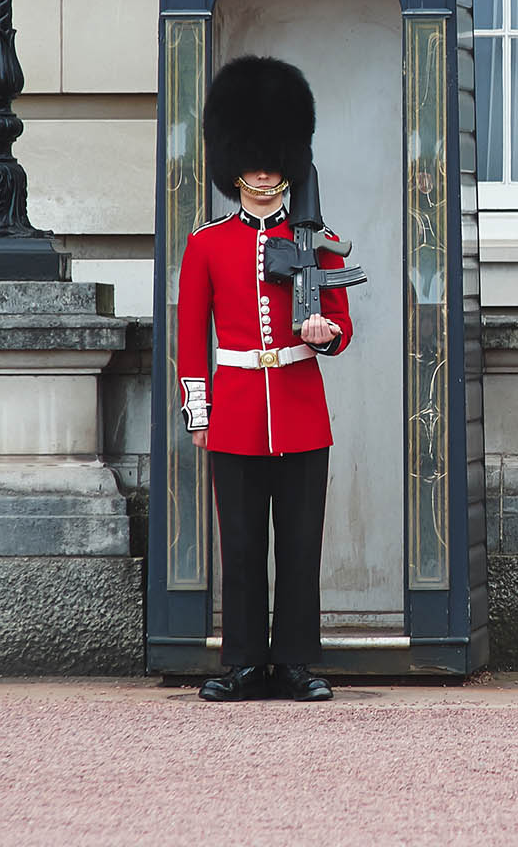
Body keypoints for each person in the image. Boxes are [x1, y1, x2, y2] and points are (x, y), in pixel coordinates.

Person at [178, 55, 353, 703]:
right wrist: (200, 412)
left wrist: (323, 335)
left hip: (302, 407)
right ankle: (245, 662)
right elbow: (191, 335)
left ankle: (298, 662)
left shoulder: (318, 242)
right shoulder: (207, 244)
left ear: (289, 160)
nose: (261, 172)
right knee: (244, 546)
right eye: (251, 159)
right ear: (234, 163)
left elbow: (341, 323)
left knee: (300, 547)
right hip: (237, 412)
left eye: (272, 159)